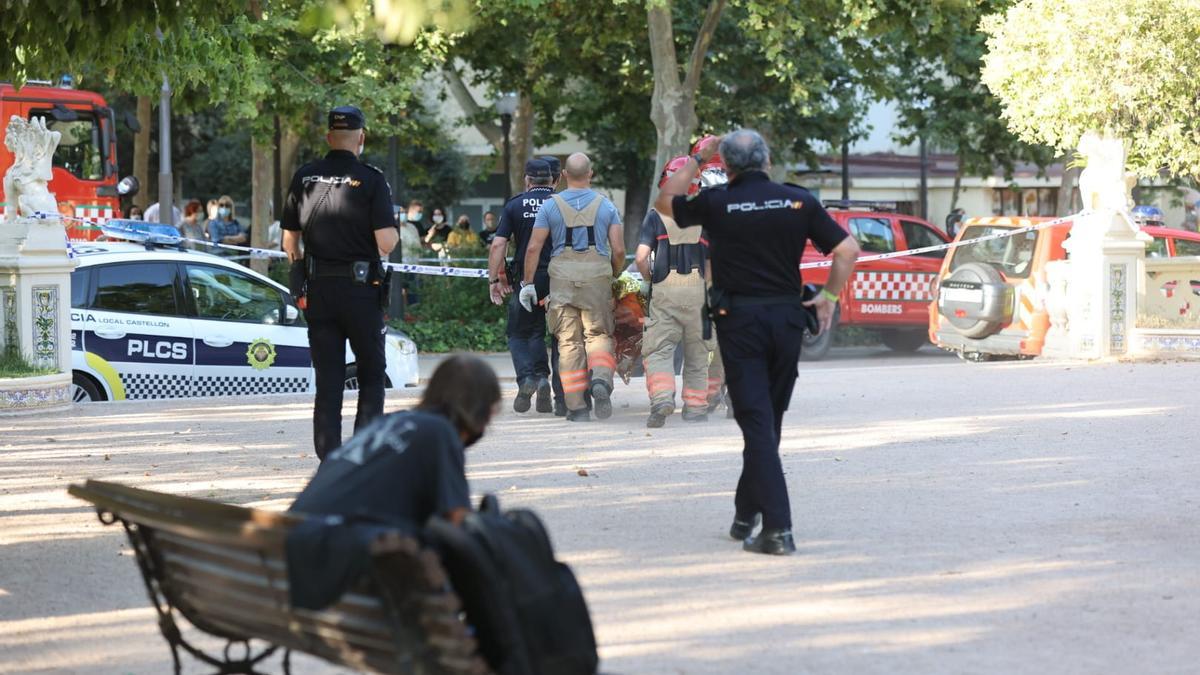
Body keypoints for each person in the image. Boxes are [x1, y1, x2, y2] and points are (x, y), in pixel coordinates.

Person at [654, 130, 860, 555]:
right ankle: (746, 514)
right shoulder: (798, 200)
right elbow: (848, 250)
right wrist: (829, 298)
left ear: (725, 166)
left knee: (757, 423)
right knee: (768, 423)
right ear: (768, 161)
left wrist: (696, 157)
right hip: (786, 321)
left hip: (741, 322)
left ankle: (778, 530)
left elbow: (664, 202)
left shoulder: (716, 202)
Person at [281, 105, 398, 460]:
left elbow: (289, 242)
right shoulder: (372, 179)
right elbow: (386, 242)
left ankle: (328, 455)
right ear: (361, 138)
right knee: (372, 373)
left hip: (320, 292)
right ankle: (362, 453)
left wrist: (302, 267)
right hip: (361, 292)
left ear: (328, 136)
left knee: (328, 379)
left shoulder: (305, 176)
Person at [290, 354, 500, 527]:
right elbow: (458, 523)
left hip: (290, 540)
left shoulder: (391, 421)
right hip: (331, 554)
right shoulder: (439, 432)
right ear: (481, 410)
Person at [520, 153, 624, 422]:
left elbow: (533, 247)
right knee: (599, 335)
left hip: (562, 279)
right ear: (591, 174)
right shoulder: (607, 206)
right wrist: (613, 274)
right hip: (597, 278)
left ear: (564, 174)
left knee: (568, 343)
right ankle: (600, 380)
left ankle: (577, 407)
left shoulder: (550, 207)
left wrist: (528, 283)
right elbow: (620, 249)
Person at [635, 155, 725, 428]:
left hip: (665, 291)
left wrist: (649, 279)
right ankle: (696, 407)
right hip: (698, 291)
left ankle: (662, 398)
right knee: (697, 353)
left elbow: (641, 257)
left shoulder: (655, 215)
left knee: (660, 350)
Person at [488, 159, 565, 416]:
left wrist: (494, 280)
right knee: (560, 336)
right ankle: (558, 393)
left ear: (527, 180)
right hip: (559, 279)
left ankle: (529, 378)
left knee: (522, 333)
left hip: (527, 279)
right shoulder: (563, 204)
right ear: (553, 179)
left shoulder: (515, 204)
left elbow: (499, 245)